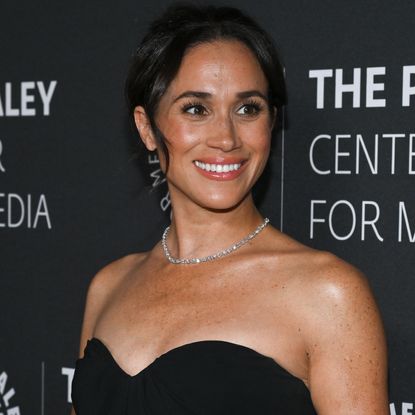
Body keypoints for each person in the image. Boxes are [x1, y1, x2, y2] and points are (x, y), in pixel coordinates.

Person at [71, 4, 389, 414]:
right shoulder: (108, 286)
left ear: (271, 122)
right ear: (147, 128)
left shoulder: (327, 294)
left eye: (247, 108)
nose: (226, 138)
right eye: (196, 109)